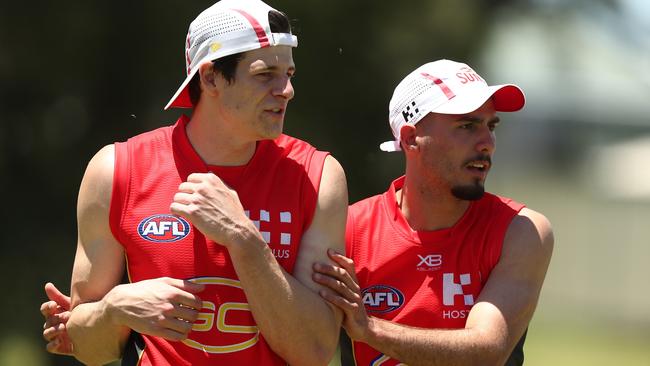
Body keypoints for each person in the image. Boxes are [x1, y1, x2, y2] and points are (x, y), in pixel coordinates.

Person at [40, 0, 347, 365]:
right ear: (211, 77)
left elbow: (314, 352)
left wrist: (244, 239)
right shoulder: (115, 170)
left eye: (289, 74)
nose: (286, 90)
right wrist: (114, 309)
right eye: (266, 75)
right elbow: (88, 349)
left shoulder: (317, 176)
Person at [312, 59, 554, 365]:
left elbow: (487, 351)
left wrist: (370, 329)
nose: (487, 143)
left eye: (490, 126)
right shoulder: (348, 230)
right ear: (412, 138)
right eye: (467, 125)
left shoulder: (521, 230)